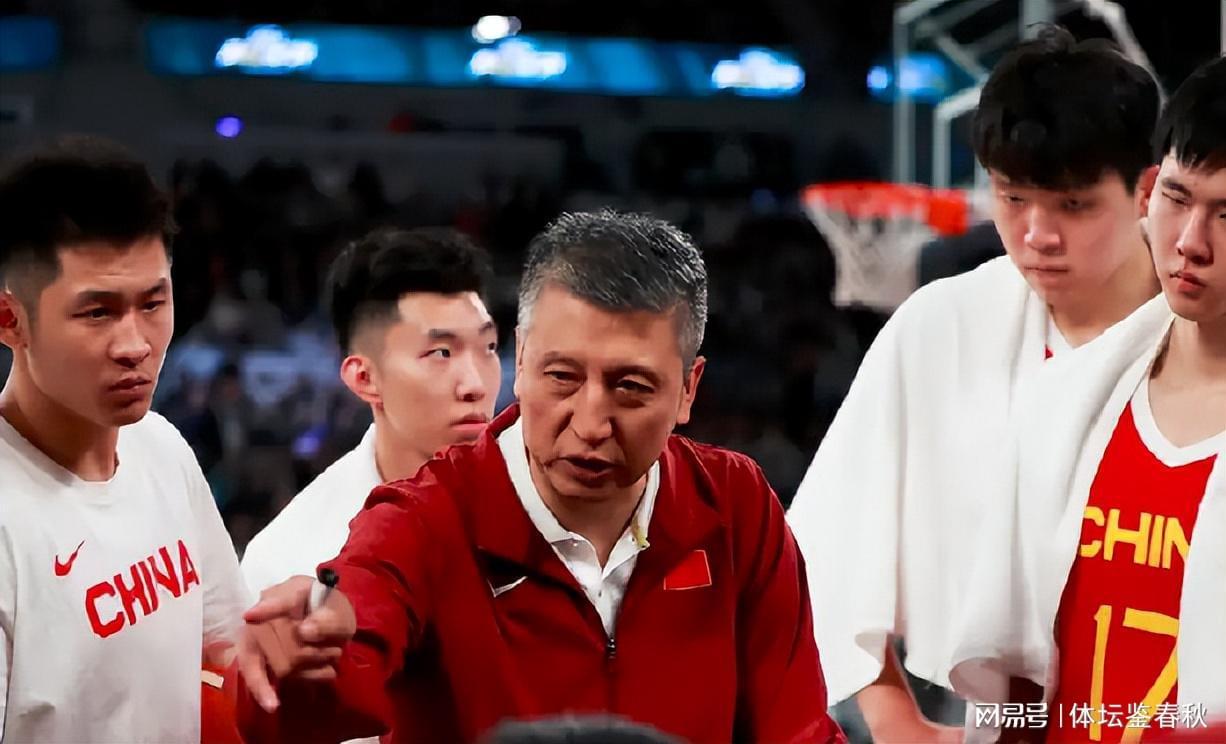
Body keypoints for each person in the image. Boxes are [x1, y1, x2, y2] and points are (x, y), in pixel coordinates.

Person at [232, 210, 846, 743]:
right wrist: (305, 659)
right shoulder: (425, 515)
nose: (591, 423)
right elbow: (338, 656)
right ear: (521, 360)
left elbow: (797, 729)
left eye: (631, 387)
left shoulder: (735, 504)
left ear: (688, 388)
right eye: (562, 377)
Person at [786, 26, 1162, 742]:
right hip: (1006, 717)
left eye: (1074, 205)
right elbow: (823, 548)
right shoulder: (942, 324)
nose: (1037, 234)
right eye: (1013, 198)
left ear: (1145, 191)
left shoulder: (1197, 332)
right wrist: (896, 721)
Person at [951, 54, 1226, 743]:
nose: (1191, 243)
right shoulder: (1063, 403)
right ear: (1149, 191)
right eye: (1178, 198)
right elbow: (1012, 677)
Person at [0, 136, 248, 741]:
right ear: (11, 320)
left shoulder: (162, 447)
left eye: (153, 303)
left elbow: (230, 650)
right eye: (98, 313)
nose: (135, 345)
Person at [240, 227, 501, 592]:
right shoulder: (289, 561)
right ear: (364, 378)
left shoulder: (554, 501)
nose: (475, 385)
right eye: (441, 353)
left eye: (488, 347)